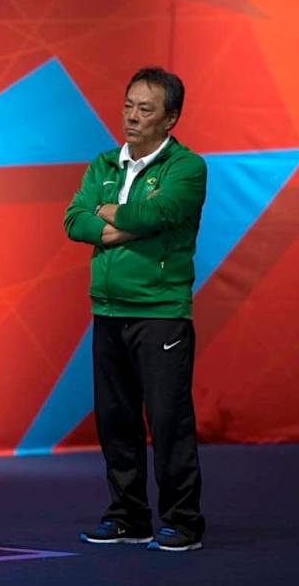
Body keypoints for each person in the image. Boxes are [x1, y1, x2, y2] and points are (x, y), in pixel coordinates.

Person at [64, 66, 206, 552]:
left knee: (168, 420)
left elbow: (156, 214)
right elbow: (73, 219)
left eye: (146, 109)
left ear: (171, 119)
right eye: (128, 105)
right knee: (115, 420)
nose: (132, 117)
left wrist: (110, 216)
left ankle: (183, 521)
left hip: (161, 311)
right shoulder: (104, 164)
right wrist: (119, 223)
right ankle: (128, 516)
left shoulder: (187, 168)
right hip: (107, 311)